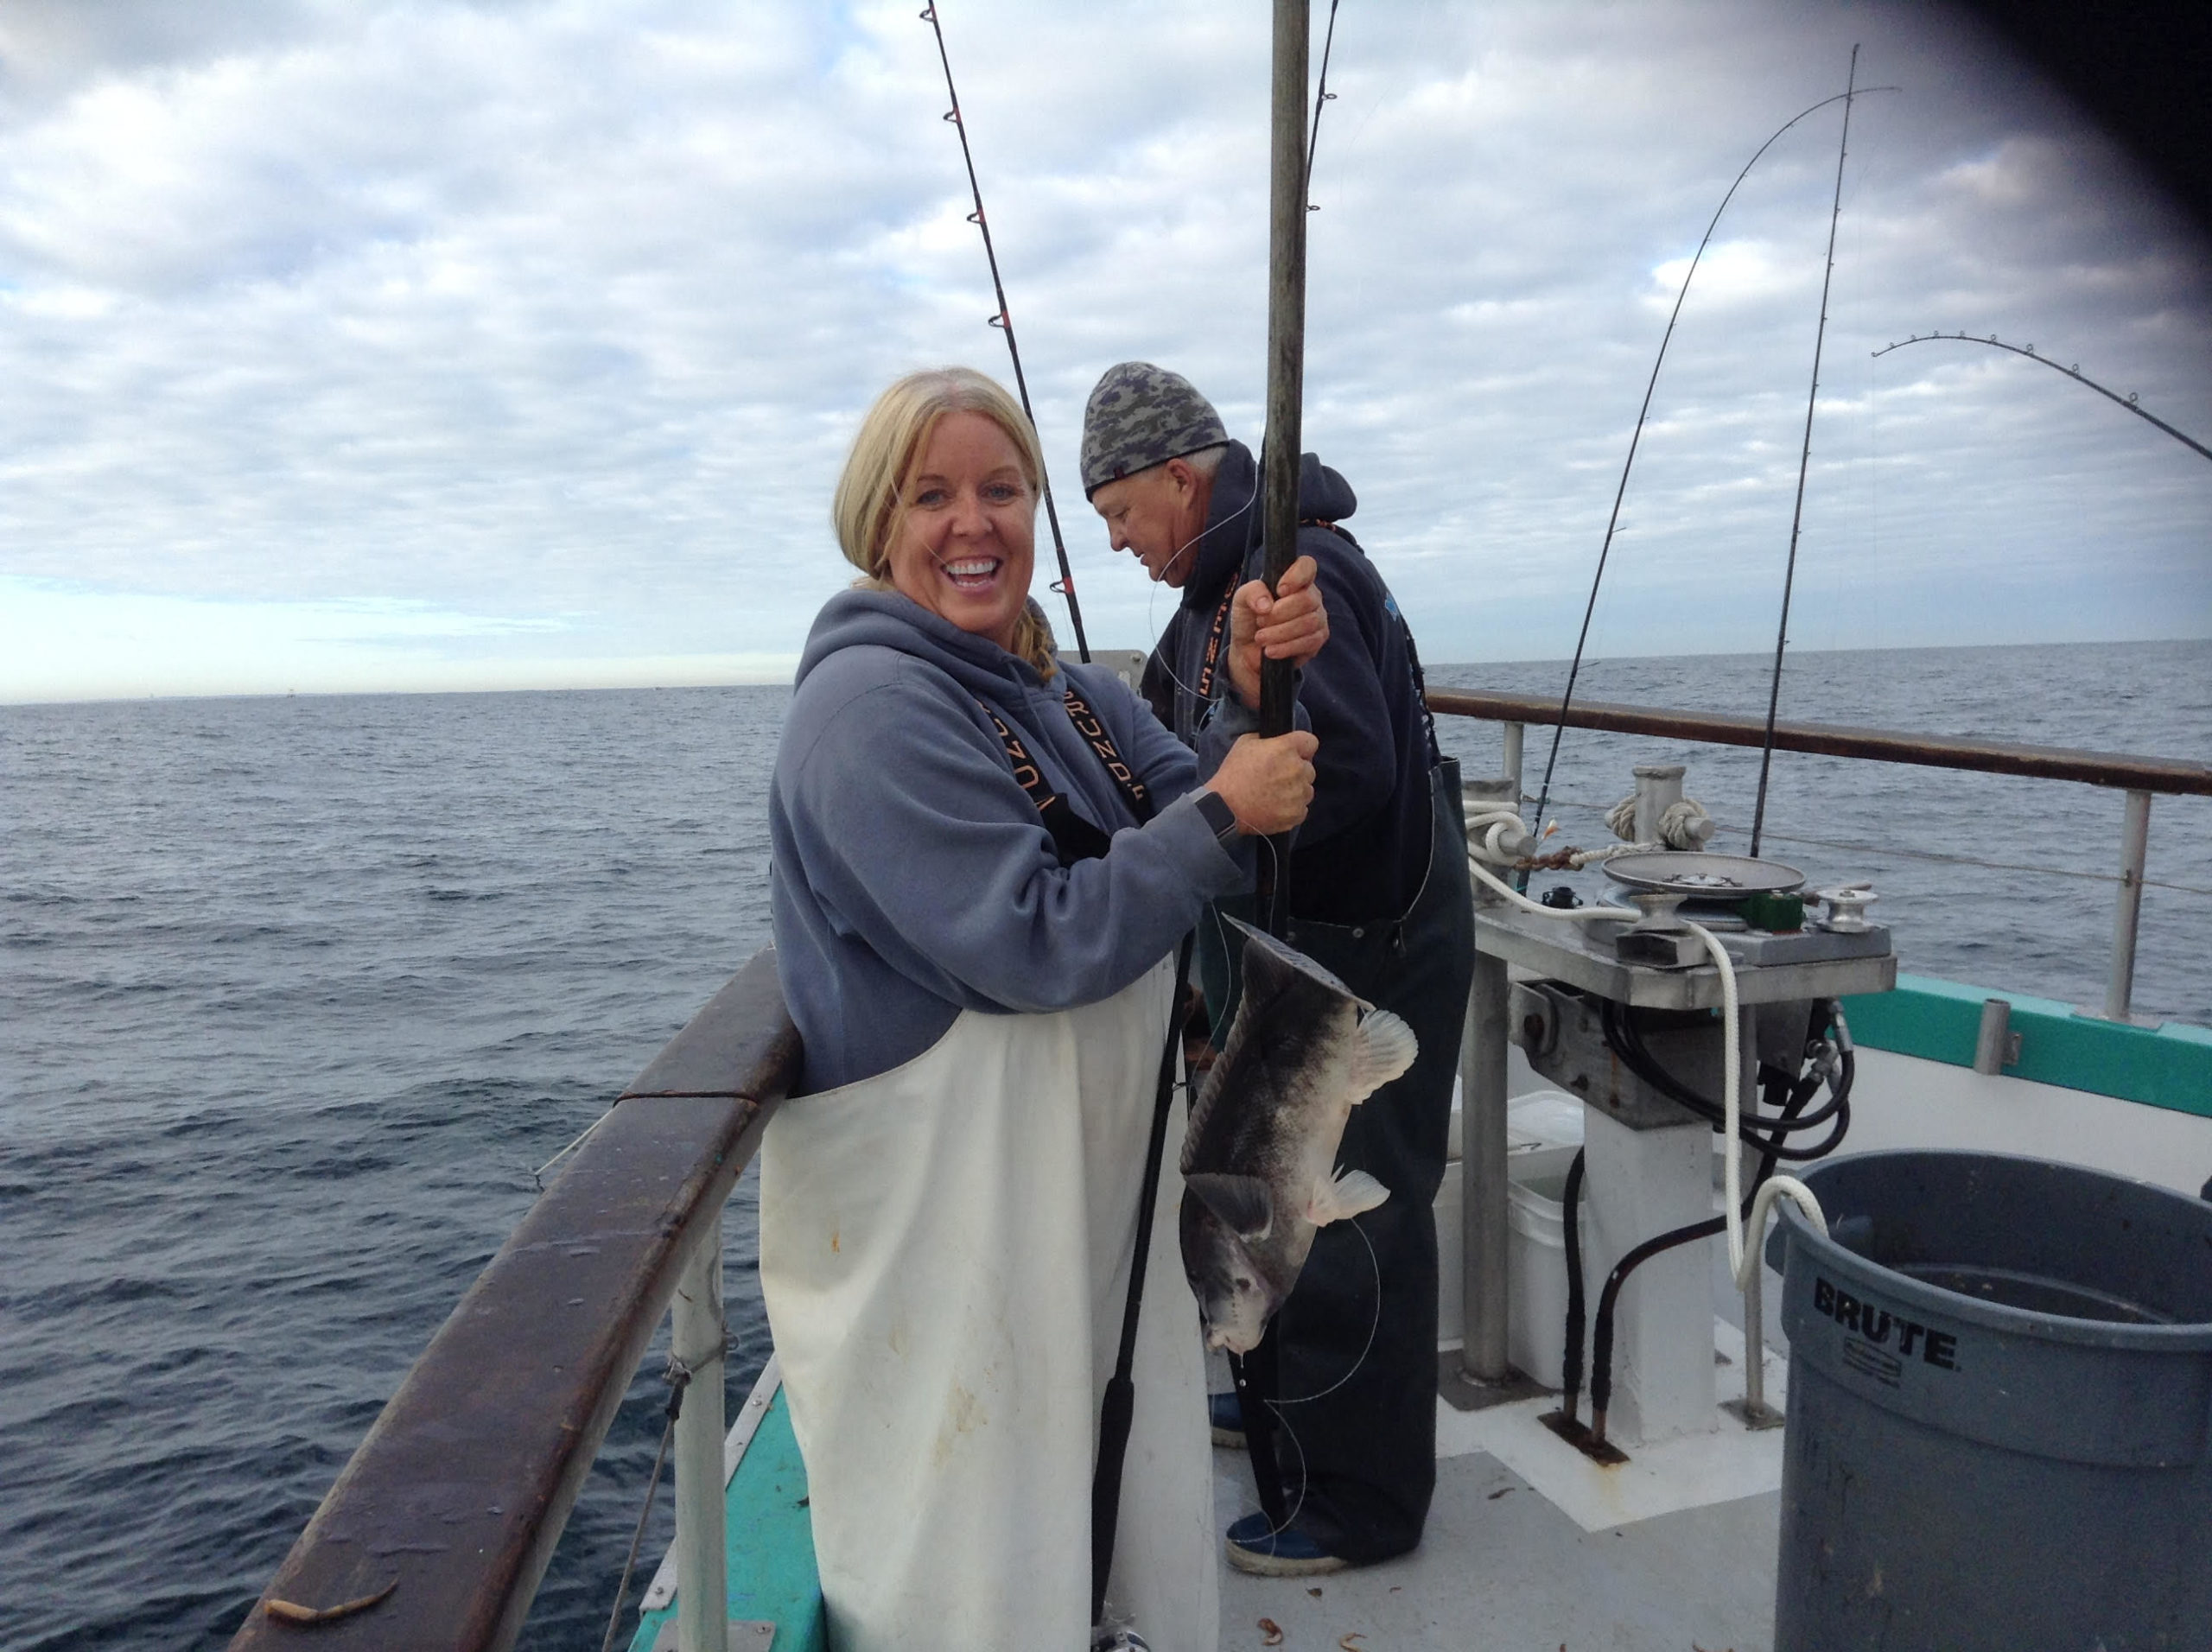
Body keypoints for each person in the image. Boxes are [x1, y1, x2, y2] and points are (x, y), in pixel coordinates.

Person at [761, 365, 1328, 1652]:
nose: (976, 523)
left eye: (1003, 490)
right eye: (933, 495)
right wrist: (1223, 809)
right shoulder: (865, 715)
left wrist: (1248, 691)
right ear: (876, 521)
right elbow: (1032, 939)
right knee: (976, 1572)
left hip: (1075, 1222)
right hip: (946, 1248)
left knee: (1103, 1523)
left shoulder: (1067, 692)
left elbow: (1199, 806)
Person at [1081, 362, 1477, 1577]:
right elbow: (1180, 743)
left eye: (1120, 517)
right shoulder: (1209, 600)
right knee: (1266, 1191)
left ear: (1179, 480)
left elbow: (1341, 776)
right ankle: (1289, 1409)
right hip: (1298, 954)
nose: (1119, 545)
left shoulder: (1290, 576)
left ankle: (1360, 1503)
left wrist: (1232, 809)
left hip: (1370, 954)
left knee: (1352, 1212)